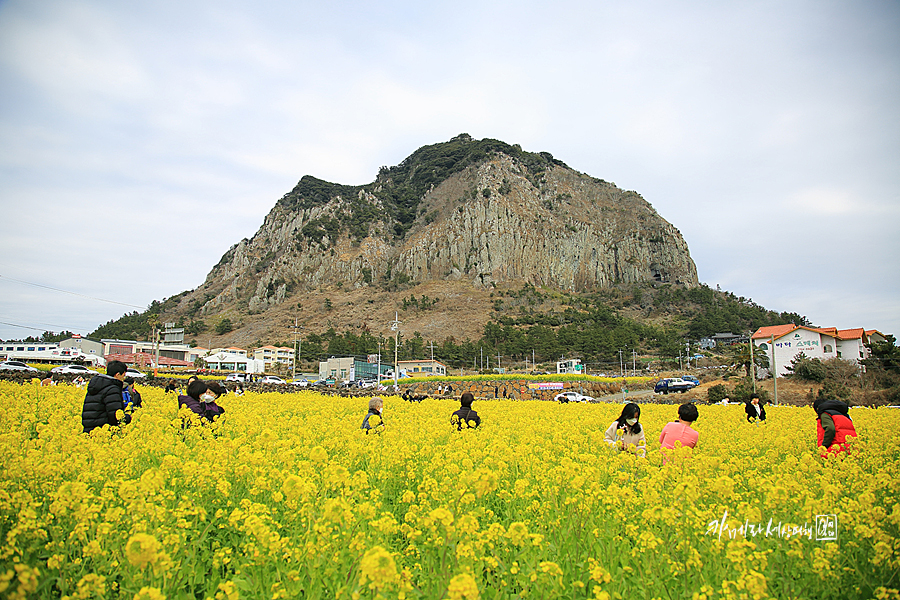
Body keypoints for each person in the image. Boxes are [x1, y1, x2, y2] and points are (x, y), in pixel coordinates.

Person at [81, 360, 131, 434]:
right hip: (103, 432)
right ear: (117, 375)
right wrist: (127, 418)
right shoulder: (112, 389)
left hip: (90, 431)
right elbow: (115, 415)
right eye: (123, 375)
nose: (123, 379)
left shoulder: (96, 385)